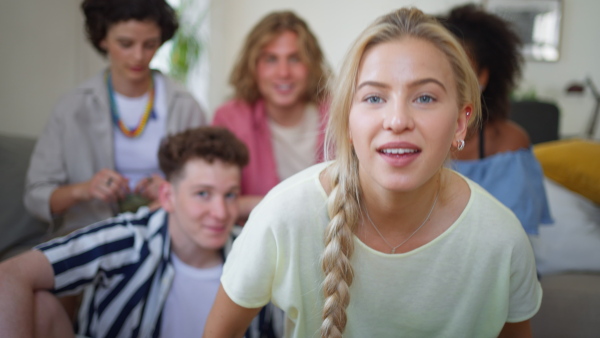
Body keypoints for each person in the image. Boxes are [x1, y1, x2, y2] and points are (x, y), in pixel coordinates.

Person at [204, 7, 541, 338]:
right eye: (374, 97)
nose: (397, 121)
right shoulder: (284, 216)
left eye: (424, 97)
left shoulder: (502, 241)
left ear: (460, 121)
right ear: (347, 119)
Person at [0, 126, 278, 337]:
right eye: (203, 194)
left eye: (230, 195)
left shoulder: (254, 255)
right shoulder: (125, 239)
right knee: (41, 303)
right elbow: (10, 274)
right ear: (168, 196)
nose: (220, 212)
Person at [24, 0, 207, 237]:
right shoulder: (72, 108)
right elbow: (35, 197)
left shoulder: (185, 106)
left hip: (166, 232)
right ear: (103, 39)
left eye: (150, 44)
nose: (139, 56)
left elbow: (208, 187)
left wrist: (171, 191)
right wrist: (85, 190)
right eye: (126, 44)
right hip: (90, 235)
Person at [439, 4, 553, 235]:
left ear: (483, 76)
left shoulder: (508, 144)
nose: (446, 80)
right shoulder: (404, 134)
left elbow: (516, 234)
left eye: (460, 69)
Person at [212, 11, 331, 221]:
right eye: (271, 59)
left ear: (311, 65)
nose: (283, 72)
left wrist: (252, 203)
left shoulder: (339, 115)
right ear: (253, 65)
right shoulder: (230, 119)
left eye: (295, 59)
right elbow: (216, 200)